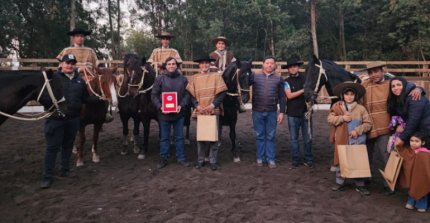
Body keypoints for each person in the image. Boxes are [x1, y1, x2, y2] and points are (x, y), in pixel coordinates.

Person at [361, 61, 422, 194]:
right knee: (366, 154)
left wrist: (419, 89)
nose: (374, 75)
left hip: (384, 126)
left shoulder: (390, 84)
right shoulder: (364, 85)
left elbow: (409, 85)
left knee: (385, 155)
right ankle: (365, 181)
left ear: (383, 71)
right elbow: (352, 92)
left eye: (376, 71)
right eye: (370, 73)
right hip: (367, 125)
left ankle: (388, 183)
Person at [40, 54, 98, 189]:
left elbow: (85, 98)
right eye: (67, 63)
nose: (70, 65)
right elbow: (44, 97)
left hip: (73, 119)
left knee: (68, 145)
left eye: (72, 63)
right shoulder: (53, 79)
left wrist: (99, 98)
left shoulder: (80, 81)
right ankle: (47, 176)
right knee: (52, 148)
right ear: (61, 64)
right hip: (56, 119)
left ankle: (65, 170)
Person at [57, 28, 113, 123]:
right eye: (78, 36)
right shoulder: (67, 50)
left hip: (91, 76)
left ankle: (105, 112)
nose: (80, 38)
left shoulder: (90, 50)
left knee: (103, 87)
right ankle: (70, 110)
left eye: (82, 36)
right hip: (73, 76)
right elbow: (61, 67)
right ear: (74, 38)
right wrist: (78, 69)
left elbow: (97, 65)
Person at [328, 82, 373, 196]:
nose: (349, 96)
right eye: (347, 94)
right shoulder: (337, 106)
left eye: (352, 94)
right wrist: (342, 118)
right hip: (341, 139)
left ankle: (360, 184)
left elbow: (368, 124)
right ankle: (340, 182)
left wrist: (357, 130)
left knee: (357, 162)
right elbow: (330, 119)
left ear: (355, 96)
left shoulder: (361, 109)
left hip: (357, 140)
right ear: (343, 95)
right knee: (341, 160)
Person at [186, 55, 227, 171]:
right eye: (202, 63)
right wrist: (197, 106)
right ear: (199, 65)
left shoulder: (216, 76)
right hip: (200, 111)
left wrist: (213, 105)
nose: (204, 65)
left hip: (213, 110)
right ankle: (200, 160)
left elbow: (222, 93)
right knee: (201, 137)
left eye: (206, 63)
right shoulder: (194, 78)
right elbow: (190, 95)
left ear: (210, 64)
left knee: (214, 137)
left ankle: (213, 160)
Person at [151, 57, 190, 169]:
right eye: (169, 64)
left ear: (176, 65)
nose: (171, 66)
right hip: (164, 114)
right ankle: (164, 158)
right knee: (164, 137)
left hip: (179, 114)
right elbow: (154, 95)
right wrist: (160, 106)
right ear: (166, 66)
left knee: (179, 137)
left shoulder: (183, 79)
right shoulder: (160, 79)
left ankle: (181, 158)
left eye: (173, 64)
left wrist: (181, 105)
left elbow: (187, 94)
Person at [249, 56, 286, 168]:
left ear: (274, 65)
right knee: (260, 135)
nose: (269, 65)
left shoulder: (279, 79)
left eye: (271, 63)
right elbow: (243, 82)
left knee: (270, 136)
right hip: (257, 111)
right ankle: (260, 157)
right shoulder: (254, 76)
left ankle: (271, 159)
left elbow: (282, 97)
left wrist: (282, 112)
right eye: (267, 63)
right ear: (263, 64)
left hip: (272, 112)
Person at [282, 58, 313, 169]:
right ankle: (295, 161)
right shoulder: (286, 82)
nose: (293, 68)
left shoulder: (306, 79)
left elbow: (311, 92)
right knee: (294, 139)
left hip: (306, 113)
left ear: (298, 67)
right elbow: (289, 96)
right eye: (290, 67)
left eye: (295, 66)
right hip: (292, 114)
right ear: (288, 69)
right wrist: (303, 90)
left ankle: (308, 159)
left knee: (308, 138)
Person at [387, 77, 430, 146]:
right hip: (417, 132)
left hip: (426, 131)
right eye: (393, 86)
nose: (396, 88)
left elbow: (413, 120)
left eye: (399, 85)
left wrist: (402, 138)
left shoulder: (414, 96)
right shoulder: (399, 98)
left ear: (404, 85)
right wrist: (398, 126)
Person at [209, 36, 245, 113]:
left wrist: (231, 71)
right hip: (216, 76)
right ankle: (212, 103)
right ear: (216, 45)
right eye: (219, 43)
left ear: (225, 45)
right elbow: (211, 66)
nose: (221, 45)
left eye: (222, 44)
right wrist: (219, 71)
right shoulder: (212, 55)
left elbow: (234, 64)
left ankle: (239, 102)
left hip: (228, 77)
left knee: (236, 84)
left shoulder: (229, 54)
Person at [404, 132, 429, 212]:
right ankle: (410, 202)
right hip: (413, 175)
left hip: (422, 177)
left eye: (417, 141)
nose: (413, 143)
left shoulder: (425, 154)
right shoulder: (409, 151)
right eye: (412, 140)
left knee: (422, 187)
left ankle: (421, 205)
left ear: (423, 142)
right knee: (412, 187)